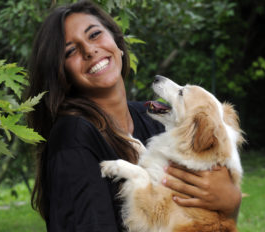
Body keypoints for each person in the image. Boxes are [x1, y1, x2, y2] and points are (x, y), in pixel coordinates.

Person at [27, 1, 242, 231]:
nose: (89, 50)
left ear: (118, 43)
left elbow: (198, 219)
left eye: (95, 34)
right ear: (62, 75)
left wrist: (230, 202)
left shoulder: (153, 119)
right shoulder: (73, 138)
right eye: (71, 51)